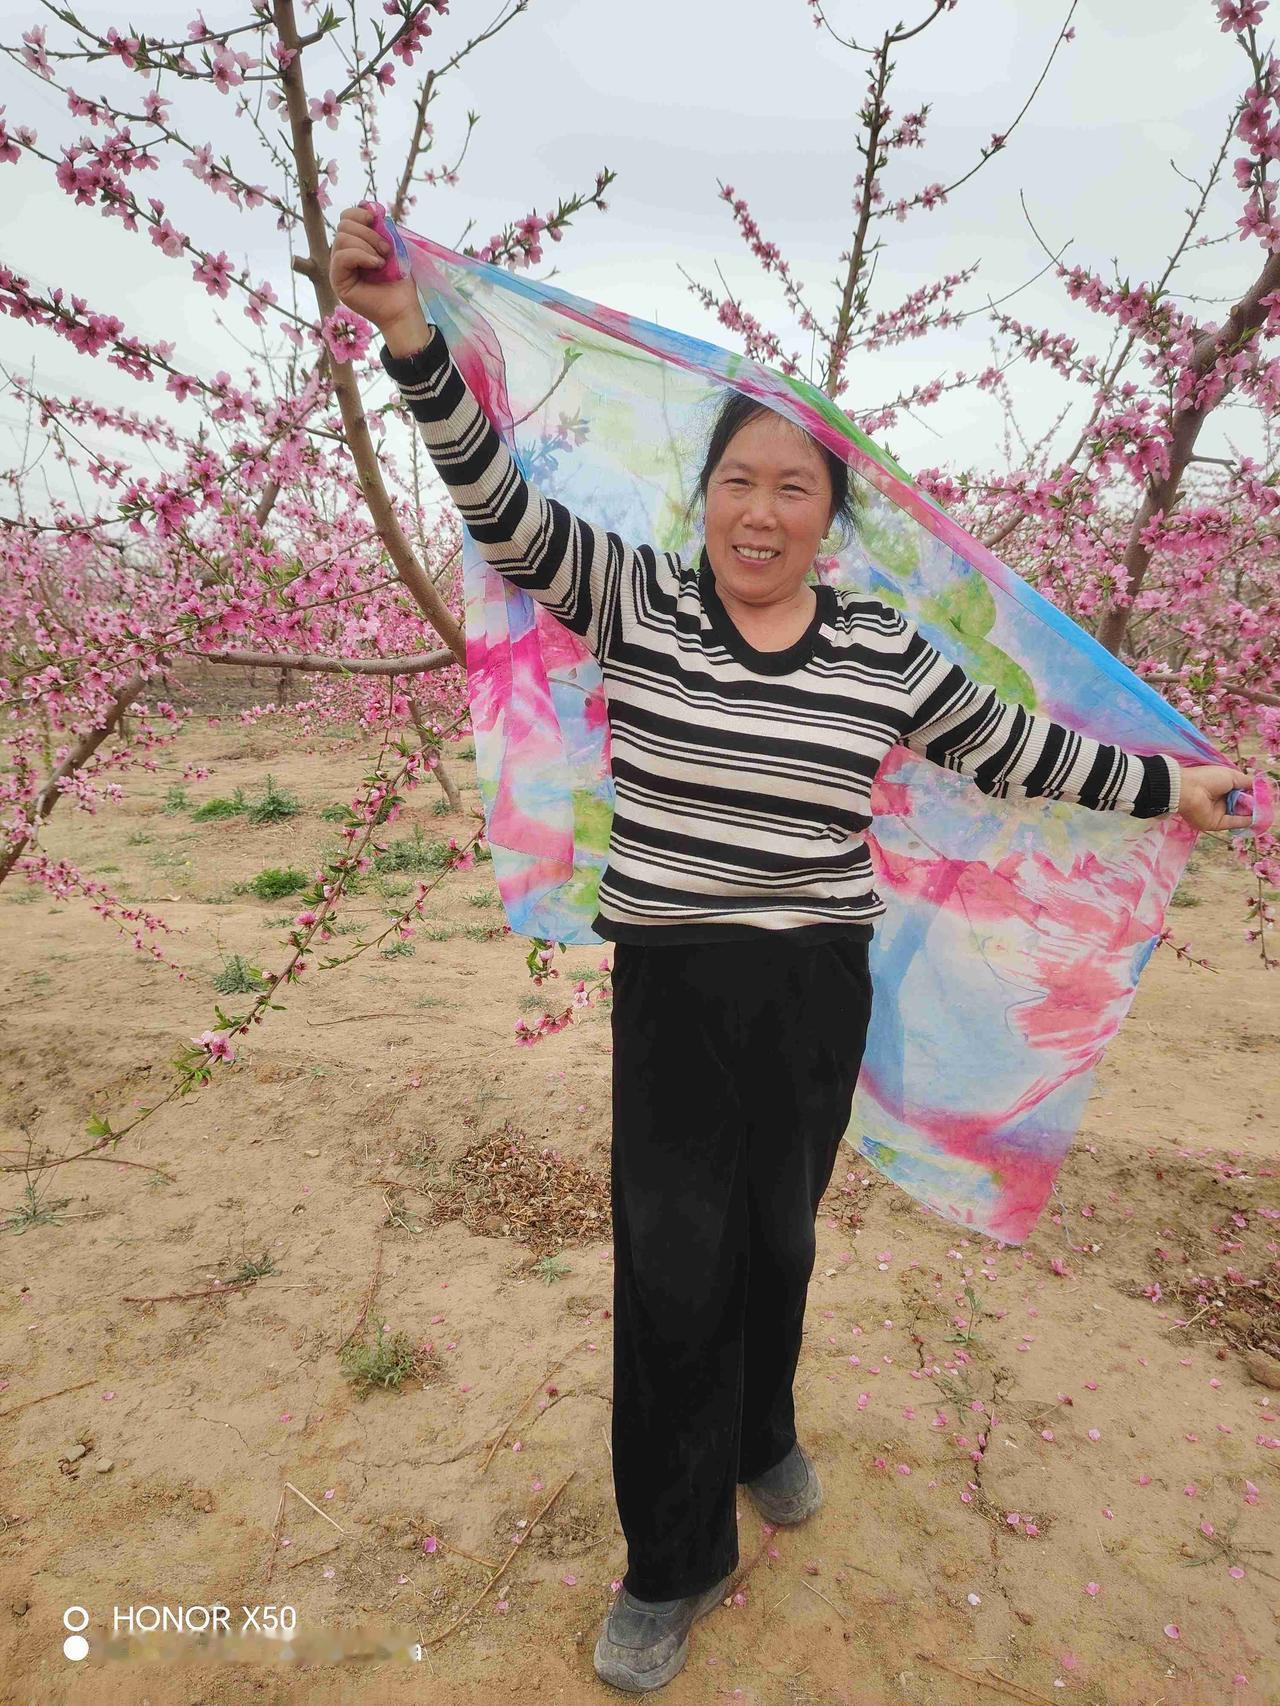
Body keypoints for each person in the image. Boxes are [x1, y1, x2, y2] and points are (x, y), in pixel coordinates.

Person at [330, 204, 1252, 1694]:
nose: (763, 512)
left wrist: (1170, 785)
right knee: (674, 1265)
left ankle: (765, 1432)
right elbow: (503, 511)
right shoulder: (640, 600)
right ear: (705, 500)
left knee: (776, 1237)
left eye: (795, 490)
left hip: (818, 986)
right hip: (678, 990)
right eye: (740, 484)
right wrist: (413, 340)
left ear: (834, 514)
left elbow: (1018, 748)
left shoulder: (881, 648)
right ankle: (672, 1559)